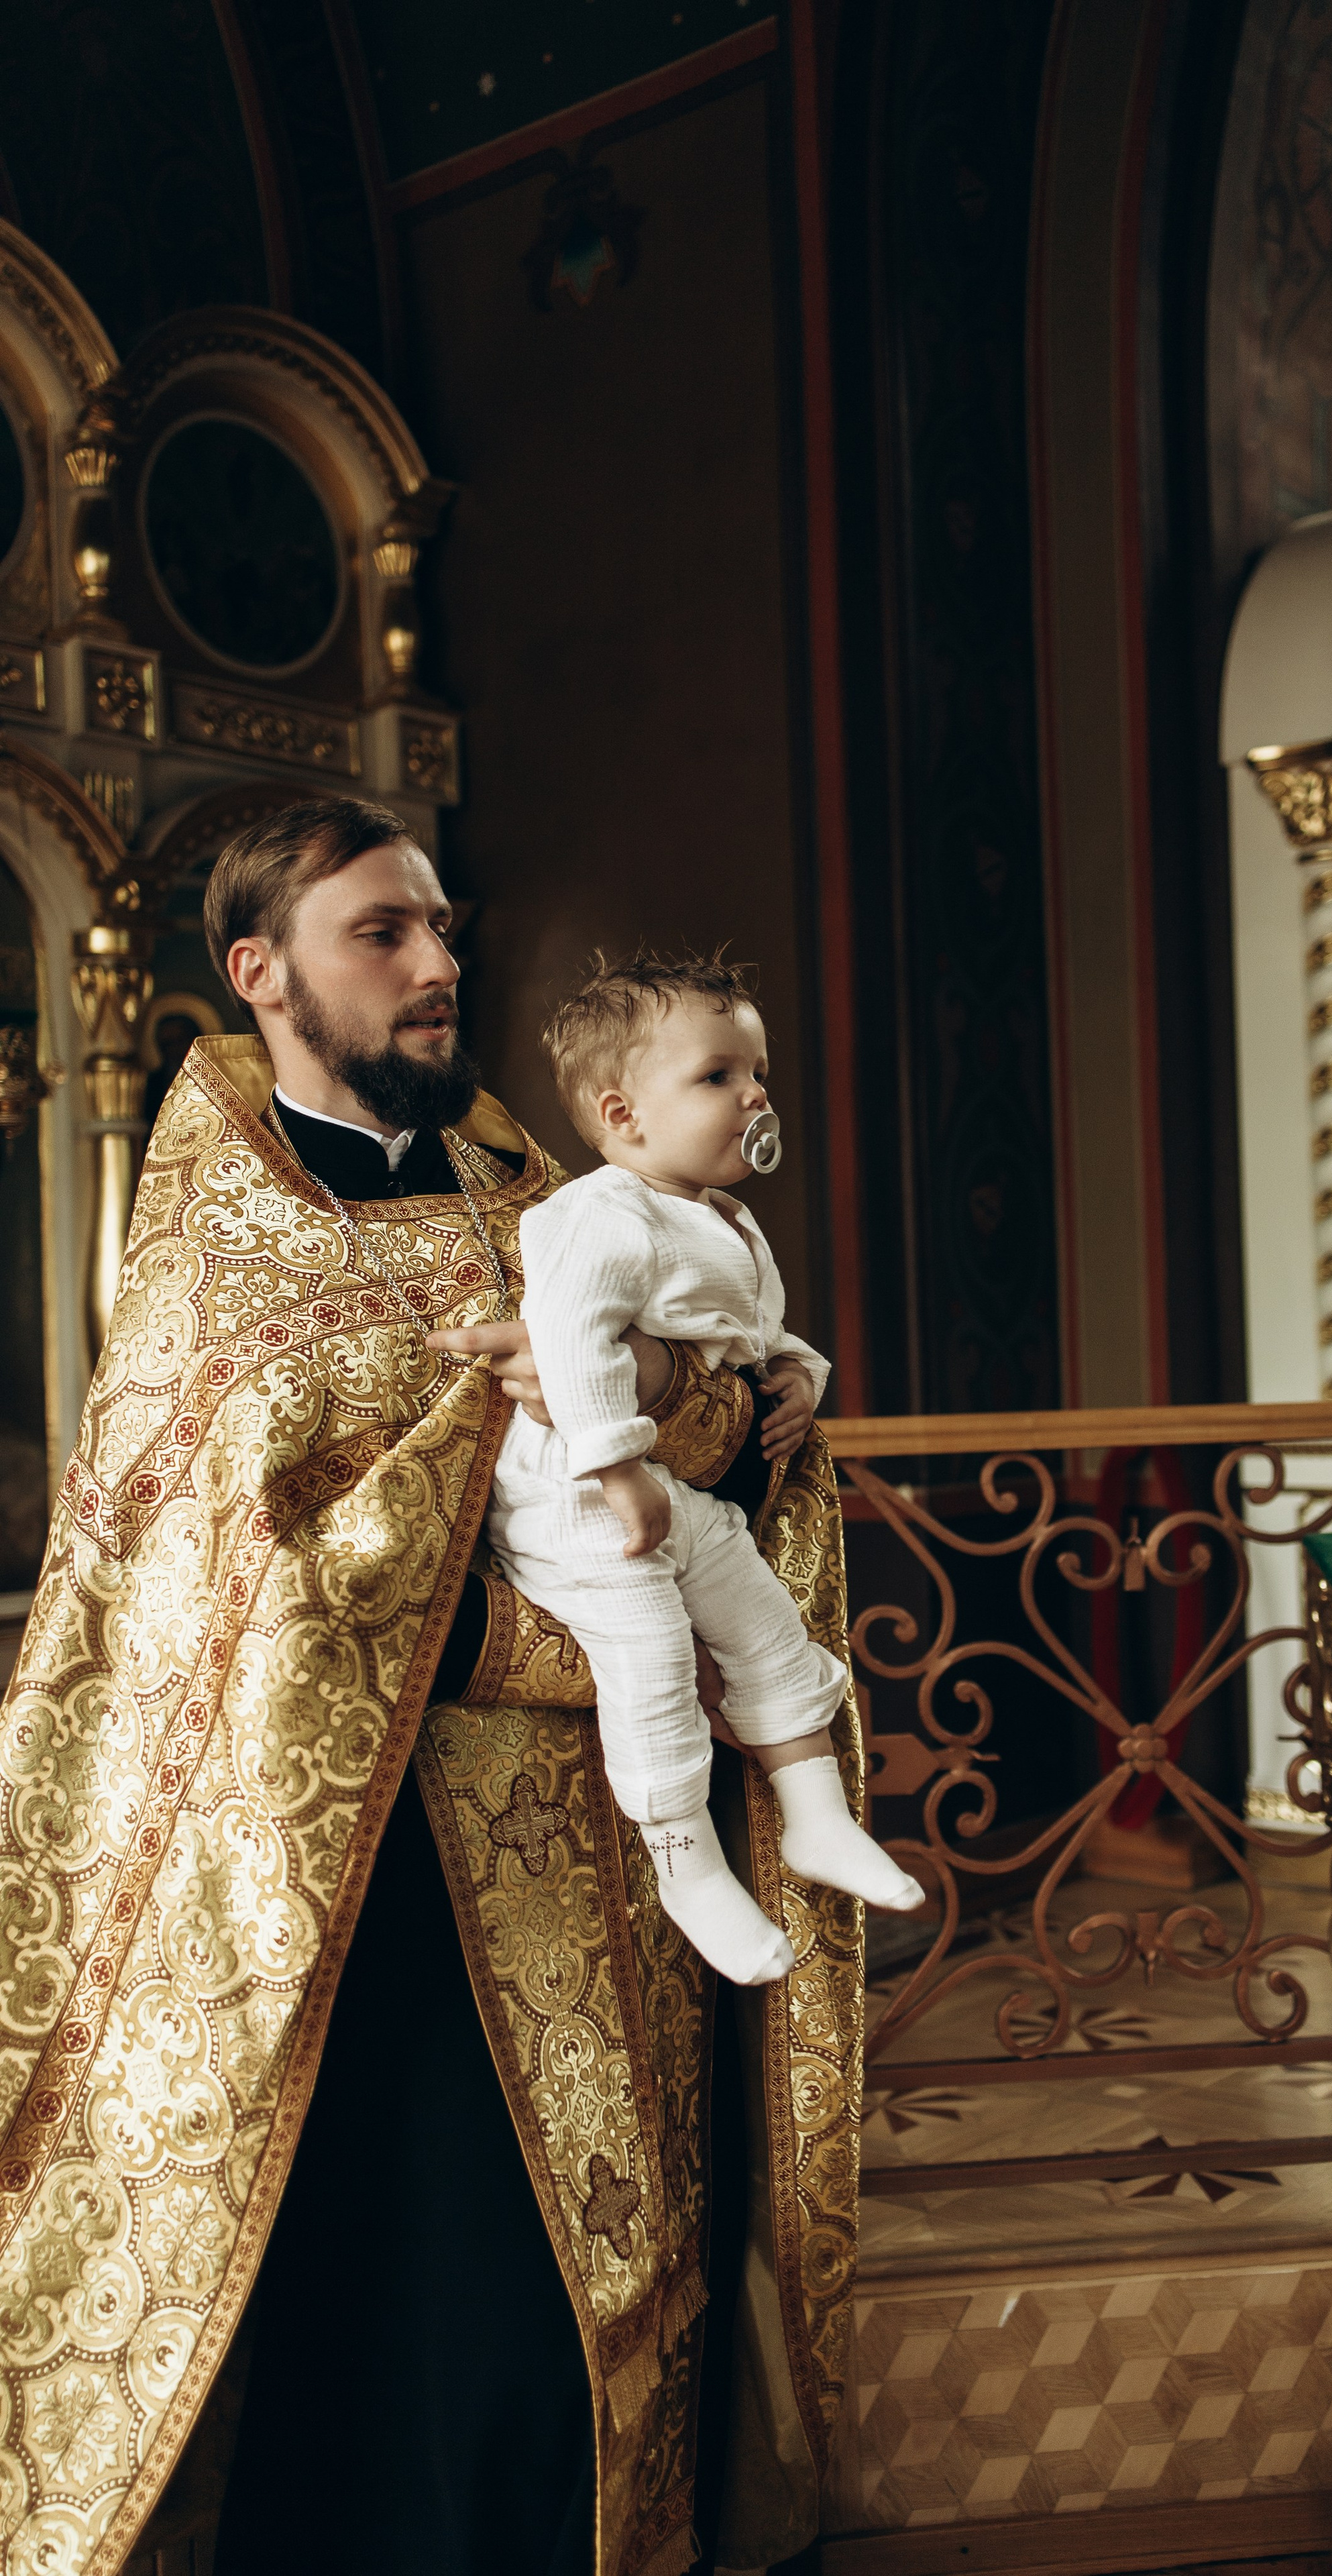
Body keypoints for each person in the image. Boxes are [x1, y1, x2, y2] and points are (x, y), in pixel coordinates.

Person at [0, 797, 863, 2576]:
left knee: (578, 2320)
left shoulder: (535, 1201)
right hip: (346, 1909)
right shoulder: (222, 1261)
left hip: (587, 1882)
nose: (437, 965)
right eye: (381, 933)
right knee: (393, 2321)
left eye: (441, 929)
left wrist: (759, 1423)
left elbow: (682, 1430)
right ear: (261, 973)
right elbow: (218, 1571)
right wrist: (495, 1478)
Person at [489, 951, 922, 1985]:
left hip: (667, 1491)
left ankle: (816, 1819)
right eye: (720, 1076)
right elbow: (569, 1340)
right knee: (651, 1663)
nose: (756, 1093)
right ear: (623, 1114)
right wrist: (616, 1470)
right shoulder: (602, 1215)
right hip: (575, 1495)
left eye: (757, 1071)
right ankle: (686, 1867)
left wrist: (801, 1374)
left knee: (771, 1625)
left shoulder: (720, 1216)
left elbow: (749, 1333)